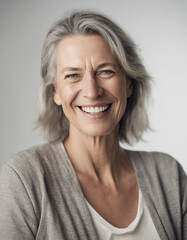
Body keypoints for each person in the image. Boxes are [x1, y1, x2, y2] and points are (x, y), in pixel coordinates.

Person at [0, 10, 186, 240]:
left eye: (105, 71)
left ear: (128, 83)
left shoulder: (168, 175)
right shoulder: (23, 180)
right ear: (55, 92)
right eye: (72, 76)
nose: (91, 91)